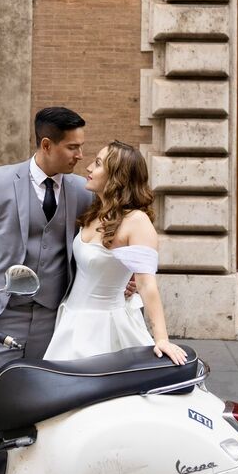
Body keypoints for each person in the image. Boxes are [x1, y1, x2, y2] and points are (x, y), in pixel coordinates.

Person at [0, 106, 93, 474]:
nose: (80, 155)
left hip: (52, 319)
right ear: (46, 145)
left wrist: (126, 274)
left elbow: (103, 238)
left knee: (44, 409)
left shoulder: (81, 191)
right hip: (0, 318)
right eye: (73, 148)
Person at [44, 140, 187, 365]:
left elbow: (146, 284)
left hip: (105, 328)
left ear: (117, 177)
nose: (89, 168)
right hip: (70, 320)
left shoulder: (136, 221)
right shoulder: (94, 213)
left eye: (98, 164)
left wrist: (162, 339)